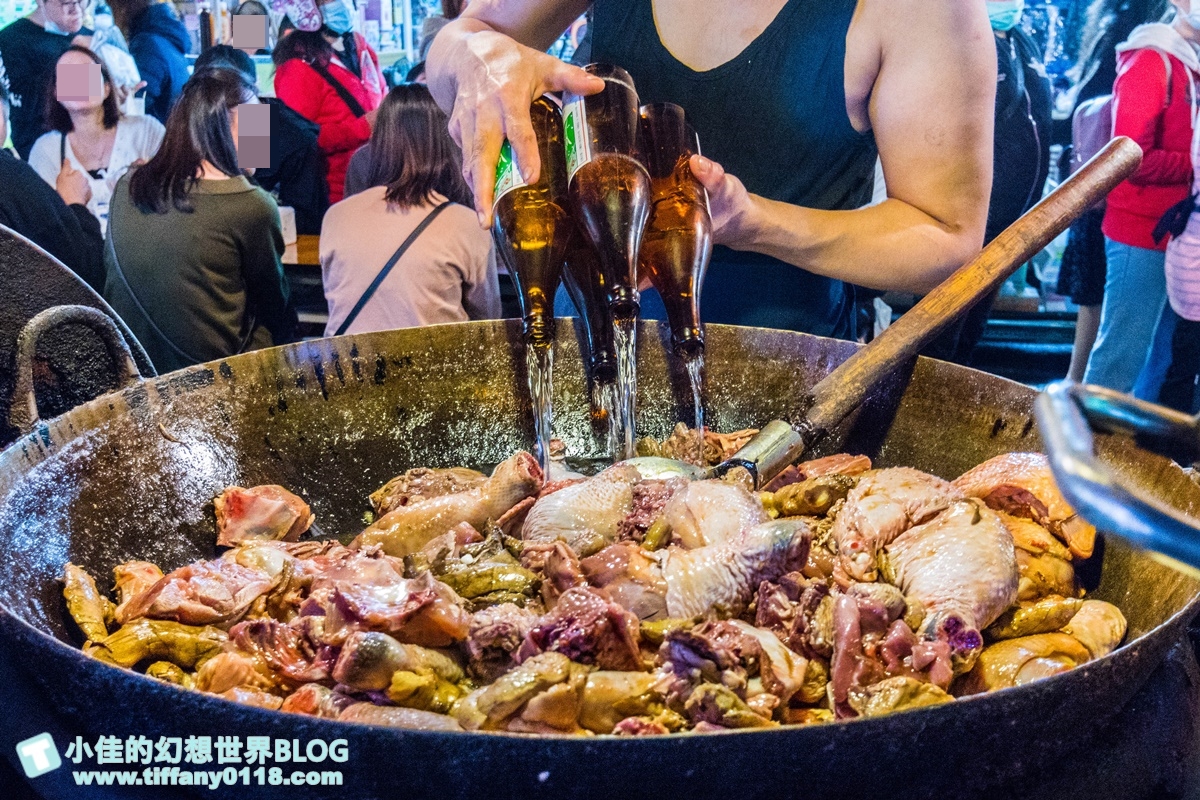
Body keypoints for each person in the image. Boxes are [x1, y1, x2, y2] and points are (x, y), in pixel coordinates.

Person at [427, 0, 995, 340]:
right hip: (590, 350)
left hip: (780, 381)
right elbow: (463, 36)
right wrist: (476, 59)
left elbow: (945, 235)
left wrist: (754, 223)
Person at [103, 68, 296, 373]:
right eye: (255, 125)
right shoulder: (249, 204)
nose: (264, 136)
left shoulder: (128, 185)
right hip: (216, 381)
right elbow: (276, 307)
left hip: (135, 374)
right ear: (217, 128)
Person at [925, 0, 1053, 365]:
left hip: (1006, 234)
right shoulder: (953, 35)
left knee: (967, 339)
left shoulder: (1019, 39)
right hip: (964, 232)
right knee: (936, 345)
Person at [1082, 1, 1200, 392]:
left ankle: (1135, 451)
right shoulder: (1153, 58)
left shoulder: (1190, 64)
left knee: (1161, 358)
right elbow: (1131, 154)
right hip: (1140, 231)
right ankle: (1085, 448)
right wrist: (1194, 166)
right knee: (1121, 355)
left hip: (1180, 233)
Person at [320, 83, 499, 335]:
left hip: (349, 366)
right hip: (431, 366)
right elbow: (488, 320)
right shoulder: (467, 223)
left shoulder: (336, 216)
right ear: (445, 139)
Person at [193, 45, 329, 235]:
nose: (219, 103)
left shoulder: (291, 137)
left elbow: (308, 222)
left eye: (231, 96)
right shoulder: (191, 122)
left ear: (251, 90)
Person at [28, 46, 165, 234]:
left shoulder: (147, 131)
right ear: (56, 93)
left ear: (107, 88)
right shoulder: (45, 150)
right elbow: (43, 226)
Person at [272, 0, 385, 204]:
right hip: (335, 196)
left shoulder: (360, 48)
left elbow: (380, 95)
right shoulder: (297, 68)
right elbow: (300, 140)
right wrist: (362, 128)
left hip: (378, 183)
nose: (341, 4)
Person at [0, 72, 105, 290]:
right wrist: (75, 206)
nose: (79, 83)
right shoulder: (39, 153)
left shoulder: (146, 131)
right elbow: (80, 271)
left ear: (108, 87)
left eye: (87, 73)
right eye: (70, 76)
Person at [0, 0, 93, 160]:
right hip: (42, 151)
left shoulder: (87, 35)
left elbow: (91, 100)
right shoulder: (12, 40)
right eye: (66, 3)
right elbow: (26, 106)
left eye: (82, 1)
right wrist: (73, 64)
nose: (76, 10)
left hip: (91, 142)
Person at [107, 0, 190, 125]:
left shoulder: (147, 45)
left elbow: (137, 104)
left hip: (157, 138)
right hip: (169, 134)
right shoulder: (164, 35)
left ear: (121, 8)